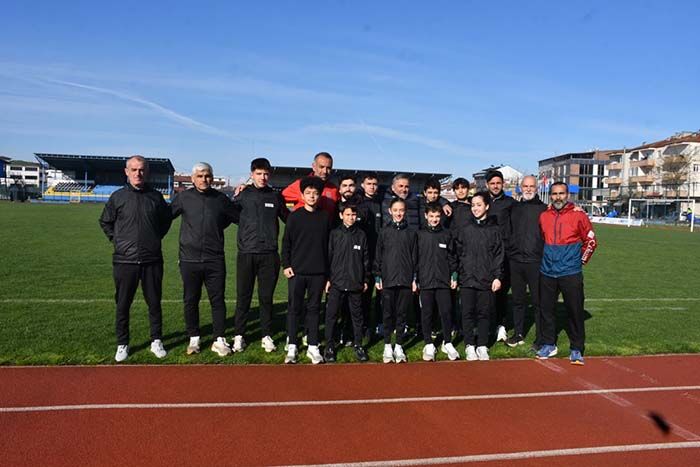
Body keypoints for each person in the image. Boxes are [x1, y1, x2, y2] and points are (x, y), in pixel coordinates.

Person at [99, 155, 172, 362]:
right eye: (133, 169)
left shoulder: (155, 197)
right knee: (123, 304)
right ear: (126, 172)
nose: (138, 173)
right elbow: (105, 222)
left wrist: (154, 238)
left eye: (141, 170)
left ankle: (156, 340)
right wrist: (117, 241)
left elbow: (166, 221)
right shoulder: (118, 197)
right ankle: (122, 344)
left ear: (146, 172)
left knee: (154, 304)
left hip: (152, 260)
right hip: (124, 261)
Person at [171, 162, 239, 357]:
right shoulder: (183, 198)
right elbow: (165, 217)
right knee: (190, 300)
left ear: (212, 177)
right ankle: (194, 338)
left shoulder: (220, 199)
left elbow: (236, 217)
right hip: (189, 259)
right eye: (200, 176)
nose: (204, 179)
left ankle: (219, 339)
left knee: (217, 300)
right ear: (193, 179)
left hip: (214, 259)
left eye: (207, 175)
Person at [231, 157, 290, 353]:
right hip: (246, 253)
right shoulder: (243, 194)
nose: (262, 177)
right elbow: (227, 214)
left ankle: (266, 335)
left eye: (265, 174)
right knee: (243, 297)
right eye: (258, 173)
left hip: (269, 255)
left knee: (266, 298)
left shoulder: (275, 196)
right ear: (252, 174)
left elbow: (289, 219)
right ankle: (239, 335)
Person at [536, 182, 597, 365]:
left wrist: (580, 261)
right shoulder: (544, 216)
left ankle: (576, 348)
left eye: (561, 193)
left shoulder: (579, 215)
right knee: (546, 310)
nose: (558, 197)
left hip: (570, 273)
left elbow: (591, 241)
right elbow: (542, 239)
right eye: (554, 194)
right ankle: (549, 344)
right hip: (547, 272)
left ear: (567, 195)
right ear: (550, 196)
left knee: (575, 311)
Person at [281, 176, 331, 364]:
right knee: (294, 309)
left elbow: (329, 248)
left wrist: (328, 275)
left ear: (319, 196)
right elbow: (286, 243)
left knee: (314, 309)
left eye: (315, 193)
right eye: (308, 193)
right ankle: (292, 345)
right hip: (297, 272)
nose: (312, 196)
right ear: (302, 195)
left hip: (318, 272)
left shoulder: (325, 217)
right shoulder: (294, 216)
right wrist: (286, 264)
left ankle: (313, 345)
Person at [455, 192, 503, 361]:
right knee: (467, 313)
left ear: (487, 206)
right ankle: (469, 345)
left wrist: (497, 276)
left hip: (486, 279)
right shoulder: (465, 229)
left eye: (479, 205)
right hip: (467, 278)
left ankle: (482, 345)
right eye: (473, 205)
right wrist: (459, 273)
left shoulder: (494, 230)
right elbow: (458, 253)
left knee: (484, 313)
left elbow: (498, 255)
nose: (475, 208)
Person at [324, 203, 371, 362]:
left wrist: (365, 279)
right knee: (331, 315)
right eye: (348, 214)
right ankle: (330, 346)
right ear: (341, 215)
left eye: (353, 215)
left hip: (355, 282)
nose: (351, 218)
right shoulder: (334, 234)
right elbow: (328, 258)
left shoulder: (361, 235)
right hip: (336, 282)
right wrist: (328, 279)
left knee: (357, 316)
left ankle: (358, 345)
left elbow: (365, 260)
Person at [374, 198, 417, 363]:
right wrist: (378, 276)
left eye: (401, 210)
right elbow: (378, 256)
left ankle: (398, 345)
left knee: (401, 314)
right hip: (388, 279)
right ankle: (387, 345)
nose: (399, 213)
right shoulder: (384, 232)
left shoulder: (411, 233)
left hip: (405, 279)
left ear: (405, 212)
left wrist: (414, 278)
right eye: (396, 210)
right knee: (387, 314)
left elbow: (415, 257)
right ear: (390, 211)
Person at [506, 175, 546, 349]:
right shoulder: (514, 208)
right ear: (521, 188)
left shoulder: (544, 209)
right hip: (516, 262)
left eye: (532, 186)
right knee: (518, 300)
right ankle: (518, 334)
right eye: (525, 186)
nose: (528, 189)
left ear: (537, 188)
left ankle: (540, 338)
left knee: (538, 302)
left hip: (535, 262)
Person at [415, 204, 459, 361]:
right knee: (426, 313)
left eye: (437, 216)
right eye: (431, 216)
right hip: (425, 281)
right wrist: (415, 279)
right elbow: (415, 259)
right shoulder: (419, 234)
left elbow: (453, 257)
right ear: (426, 216)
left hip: (443, 281)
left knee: (446, 311)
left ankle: (447, 342)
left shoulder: (447, 234)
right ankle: (428, 343)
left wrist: (454, 276)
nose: (434, 219)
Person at [485, 170, 515, 343]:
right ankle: (485, 324)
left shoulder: (510, 203)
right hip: (484, 254)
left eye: (498, 183)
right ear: (487, 185)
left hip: (504, 254)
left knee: (501, 291)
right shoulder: (481, 200)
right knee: (485, 292)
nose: (495, 186)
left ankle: (501, 325)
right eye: (492, 183)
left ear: (502, 184)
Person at [357, 172, 383, 338]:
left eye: (374, 184)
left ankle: (379, 324)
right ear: (362, 185)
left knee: (381, 292)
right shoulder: (358, 202)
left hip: (380, 256)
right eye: (369, 184)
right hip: (363, 256)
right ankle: (363, 326)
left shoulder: (381, 202)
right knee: (364, 294)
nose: (372, 187)